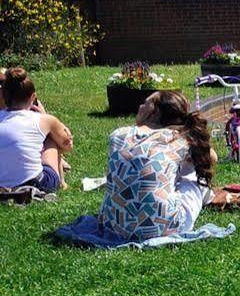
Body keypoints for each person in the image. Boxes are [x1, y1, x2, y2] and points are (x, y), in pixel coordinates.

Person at [95, 90, 216, 239]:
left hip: (113, 225)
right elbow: (212, 158)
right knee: (192, 173)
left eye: (145, 103)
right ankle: (208, 197)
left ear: (153, 111)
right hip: (162, 228)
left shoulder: (118, 134)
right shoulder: (178, 139)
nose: (140, 106)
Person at [0, 67, 73, 193]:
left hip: (2, 183)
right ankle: (61, 182)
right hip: (37, 183)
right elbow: (68, 146)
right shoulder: (43, 120)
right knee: (50, 138)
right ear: (33, 97)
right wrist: (46, 117)